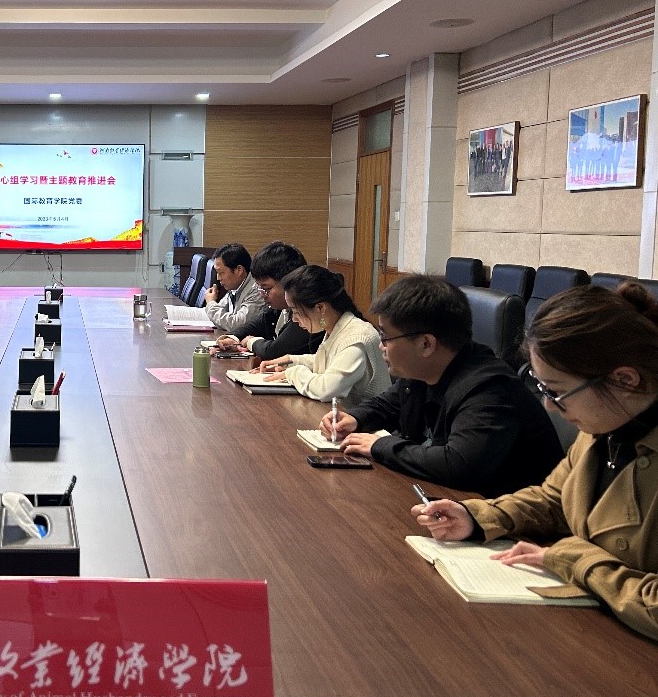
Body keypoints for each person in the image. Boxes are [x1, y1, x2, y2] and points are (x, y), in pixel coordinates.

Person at [411, 283, 658, 641]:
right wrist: (479, 517)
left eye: (557, 392)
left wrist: (573, 559)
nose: (549, 407)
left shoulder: (607, 419)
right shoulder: (606, 423)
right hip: (592, 627)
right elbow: (556, 499)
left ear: (625, 380)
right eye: (542, 388)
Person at [323, 274, 562, 496]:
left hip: (512, 520)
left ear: (426, 344)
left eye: (385, 337)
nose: (381, 346)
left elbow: (458, 465)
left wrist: (381, 446)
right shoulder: (423, 372)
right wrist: (355, 419)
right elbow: (387, 405)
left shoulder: (489, 389)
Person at [259, 264, 389, 405]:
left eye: (296, 311)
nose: (294, 319)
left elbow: (327, 389)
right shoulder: (338, 327)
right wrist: (290, 361)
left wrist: (293, 373)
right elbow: (332, 361)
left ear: (321, 307)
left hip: (365, 418)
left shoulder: (357, 338)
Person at [215, 241, 320, 360]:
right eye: (259, 287)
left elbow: (275, 351)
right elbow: (256, 325)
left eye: (267, 288)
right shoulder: (278, 307)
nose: (262, 294)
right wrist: (232, 338)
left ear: (290, 282)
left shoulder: (307, 310)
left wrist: (251, 342)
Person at [202, 243, 265, 333]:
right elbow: (220, 312)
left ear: (239, 270)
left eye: (221, 272)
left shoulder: (257, 289)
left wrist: (211, 303)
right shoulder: (235, 286)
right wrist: (212, 306)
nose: (218, 278)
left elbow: (237, 325)